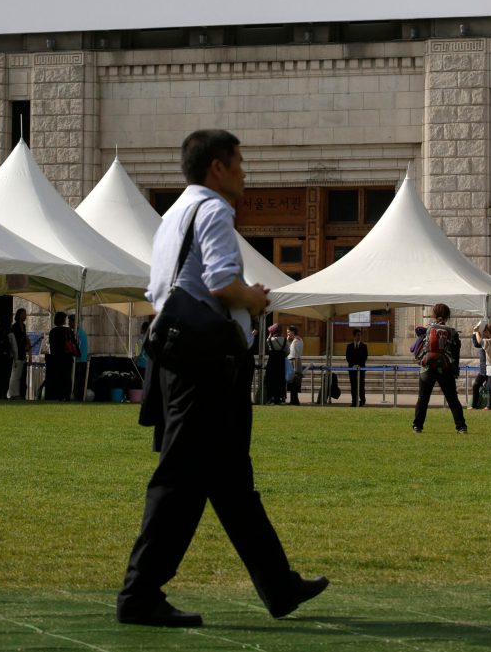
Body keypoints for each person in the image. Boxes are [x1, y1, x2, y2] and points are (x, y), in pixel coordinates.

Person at [117, 129, 328, 628]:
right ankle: (140, 593)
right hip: (205, 365)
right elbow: (220, 283)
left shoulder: (173, 215)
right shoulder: (213, 211)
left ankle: (278, 585)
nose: (244, 172)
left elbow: (162, 286)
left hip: (177, 358)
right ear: (217, 167)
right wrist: (254, 297)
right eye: (239, 162)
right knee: (181, 481)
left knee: (231, 482)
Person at [412, 303, 467, 434]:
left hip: (427, 367)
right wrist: (455, 369)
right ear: (448, 316)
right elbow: (456, 353)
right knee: (452, 398)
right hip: (445, 368)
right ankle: (461, 426)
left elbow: (421, 347)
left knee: (423, 398)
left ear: (434, 315)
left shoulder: (428, 329)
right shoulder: (452, 332)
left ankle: (417, 426)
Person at [47, 311, 75, 401]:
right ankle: (66, 395)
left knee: (57, 377)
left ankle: (58, 395)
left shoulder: (52, 332)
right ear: (63, 320)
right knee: (66, 377)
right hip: (66, 358)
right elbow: (73, 343)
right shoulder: (68, 331)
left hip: (55, 358)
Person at [264, 322, 287, 404]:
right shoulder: (284, 340)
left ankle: (271, 397)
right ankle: (279, 397)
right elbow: (287, 351)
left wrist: (270, 334)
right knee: (280, 379)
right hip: (280, 363)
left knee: (271, 379)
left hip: (272, 362)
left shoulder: (270, 340)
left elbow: (267, 341)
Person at [9, 308, 30, 399]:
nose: (25, 316)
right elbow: (15, 341)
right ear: (19, 315)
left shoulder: (23, 326)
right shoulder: (15, 326)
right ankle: (13, 393)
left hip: (22, 353)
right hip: (17, 354)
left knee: (19, 375)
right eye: (23, 314)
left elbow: (24, 338)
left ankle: (17, 393)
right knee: (15, 375)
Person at [345, 328, 369, 407]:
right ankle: (354, 401)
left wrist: (359, 365)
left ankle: (362, 400)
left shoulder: (364, 346)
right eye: (357, 335)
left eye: (360, 335)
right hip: (352, 369)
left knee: (361, 385)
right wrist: (353, 365)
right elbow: (348, 357)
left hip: (361, 369)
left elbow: (365, 357)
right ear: (354, 336)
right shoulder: (349, 346)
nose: (359, 337)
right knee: (353, 385)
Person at [469, 324, 487, 409]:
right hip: (483, 370)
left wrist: (475, 332)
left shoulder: (488, 341)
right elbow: (476, 343)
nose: (481, 333)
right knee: (476, 386)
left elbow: (477, 343)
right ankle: (474, 406)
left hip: (488, 369)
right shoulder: (485, 341)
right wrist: (474, 332)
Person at [286, 324, 304, 406]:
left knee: (294, 383)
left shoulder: (297, 341)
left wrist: (295, 369)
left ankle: (295, 400)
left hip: (294, 362)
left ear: (293, 332)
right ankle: (293, 400)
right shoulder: (294, 340)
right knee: (292, 383)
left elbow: (296, 356)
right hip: (292, 362)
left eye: (289, 332)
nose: (288, 334)